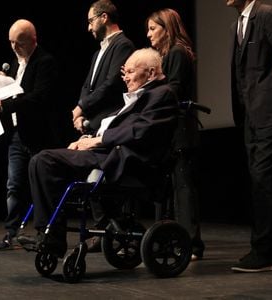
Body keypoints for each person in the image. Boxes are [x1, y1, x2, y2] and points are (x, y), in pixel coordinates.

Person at [17, 47, 180, 257]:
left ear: (150, 73)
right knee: (41, 160)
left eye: (130, 72)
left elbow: (140, 131)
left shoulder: (162, 94)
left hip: (125, 161)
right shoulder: (137, 98)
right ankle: (49, 235)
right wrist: (87, 138)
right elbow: (118, 128)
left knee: (45, 160)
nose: (126, 77)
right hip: (104, 152)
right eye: (125, 72)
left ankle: (52, 238)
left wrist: (97, 141)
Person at [0, 19, 61, 251]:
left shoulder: (44, 62)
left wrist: (4, 106)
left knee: (41, 184)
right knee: (14, 184)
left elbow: (38, 98)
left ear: (32, 40)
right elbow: (15, 93)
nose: (14, 47)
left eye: (19, 43)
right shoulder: (15, 65)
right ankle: (11, 232)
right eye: (11, 42)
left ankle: (44, 232)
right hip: (18, 134)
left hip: (39, 134)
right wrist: (1, 84)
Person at [72, 0, 135, 251]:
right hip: (91, 122)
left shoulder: (123, 44)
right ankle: (103, 230)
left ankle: (110, 231)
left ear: (104, 17)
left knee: (102, 179)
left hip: (108, 122)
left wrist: (82, 109)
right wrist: (79, 111)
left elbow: (110, 86)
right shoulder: (99, 51)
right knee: (90, 180)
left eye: (90, 21)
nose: (89, 28)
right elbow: (88, 85)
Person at [146, 8, 205, 261]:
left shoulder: (178, 53)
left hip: (180, 130)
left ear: (167, 28)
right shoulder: (168, 55)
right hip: (171, 130)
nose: (148, 34)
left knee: (183, 189)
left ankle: (191, 243)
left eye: (152, 28)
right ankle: (169, 238)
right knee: (170, 190)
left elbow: (175, 91)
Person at [226, 0, 272, 272]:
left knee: (263, 179)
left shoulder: (267, 14)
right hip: (250, 117)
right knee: (260, 181)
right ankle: (267, 249)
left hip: (270, 114)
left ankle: (264, 252)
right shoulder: (239, 23)